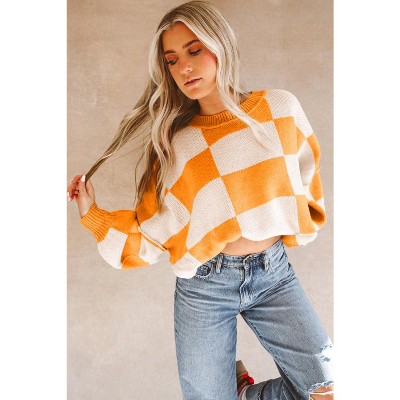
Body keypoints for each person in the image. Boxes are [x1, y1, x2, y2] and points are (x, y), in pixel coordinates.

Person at [67, 1, 334, 399]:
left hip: (274, 274)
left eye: (194, 50)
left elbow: (305, 179)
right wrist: (92, 213)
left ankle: (243, 394)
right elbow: (153, 228)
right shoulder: (178, 144)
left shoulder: (279, 109)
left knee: (325, 389)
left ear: (220, 44)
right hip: (206, 286)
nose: (184, 68)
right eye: (172, 60)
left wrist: (293, 223)